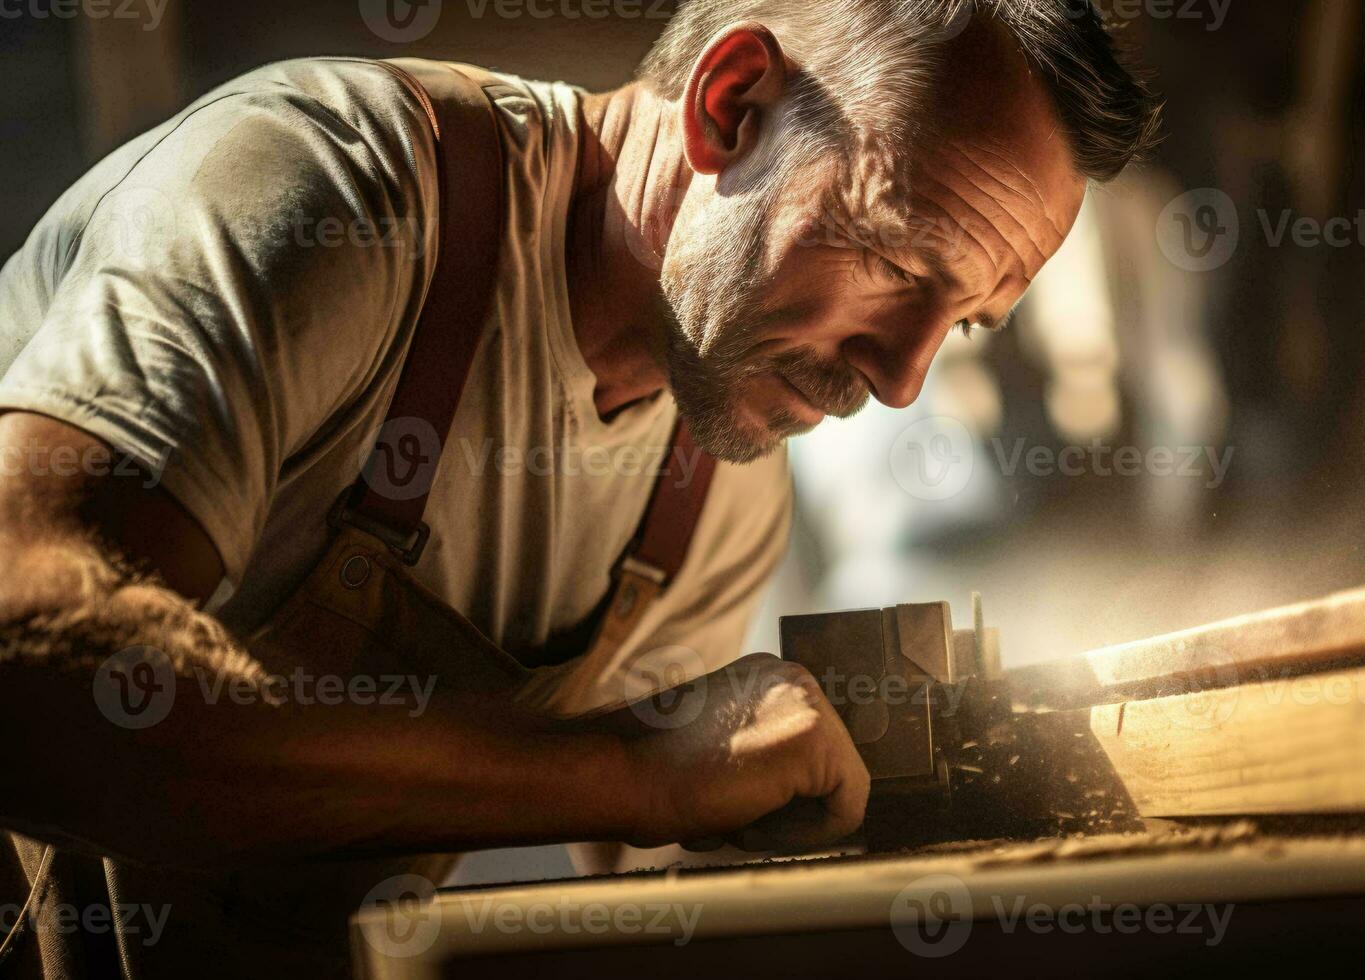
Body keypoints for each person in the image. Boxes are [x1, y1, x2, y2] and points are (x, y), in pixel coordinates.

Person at [0, 0, 1160, 974]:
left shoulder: (720, 486)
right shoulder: (339, 192)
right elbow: (25, 662)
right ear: (730, 105)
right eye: (900, 261)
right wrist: (627, 770)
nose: (902, 378)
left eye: (960, 323)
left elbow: (663, 891)